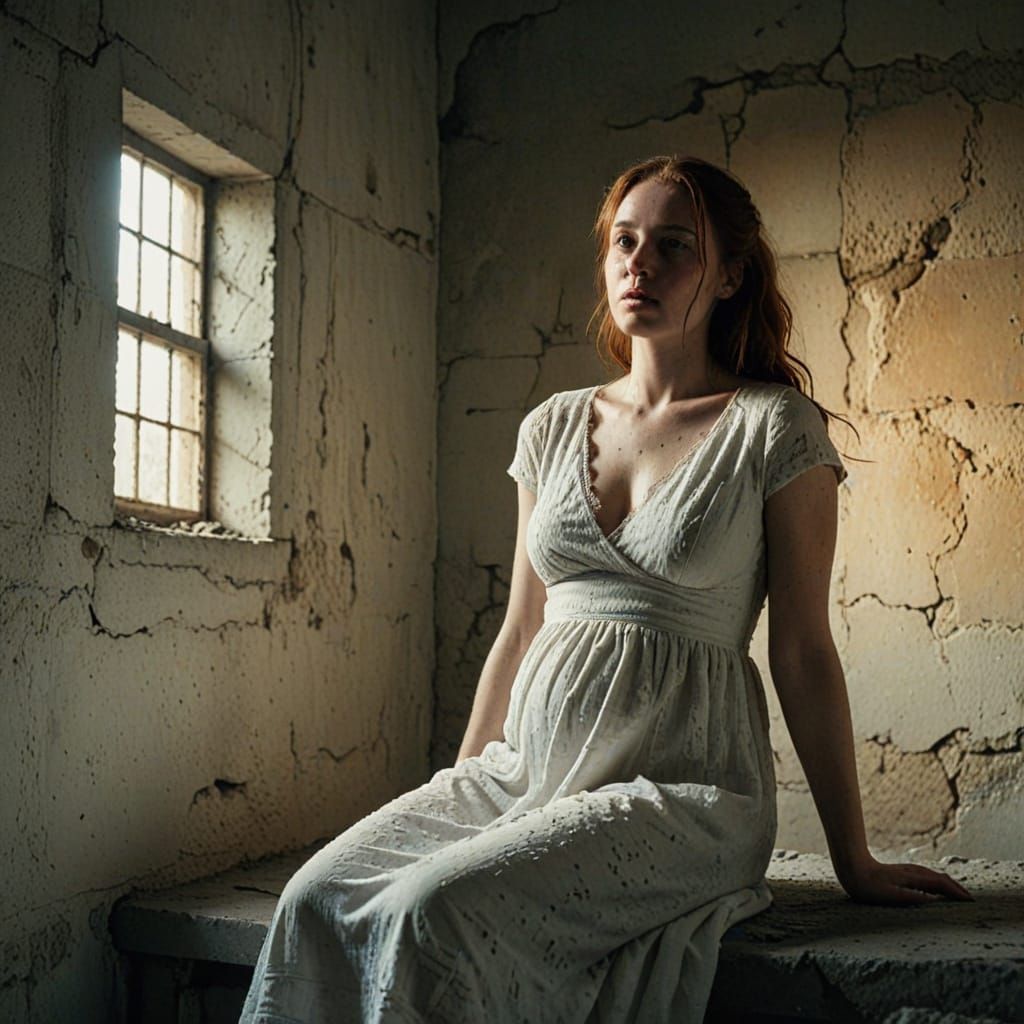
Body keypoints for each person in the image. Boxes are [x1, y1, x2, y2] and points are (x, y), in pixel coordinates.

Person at [239, 155, 972, 1024]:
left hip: (683, 795)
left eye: (673, 247)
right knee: (312, 898)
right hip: (527, 771)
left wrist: (855, 859)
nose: (640, 265)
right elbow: (520, 628)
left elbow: (804, 649)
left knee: (428, 912)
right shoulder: (552, 425)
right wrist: (460, 788)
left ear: (731, 273)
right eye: (625, 243)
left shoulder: (774, 428)